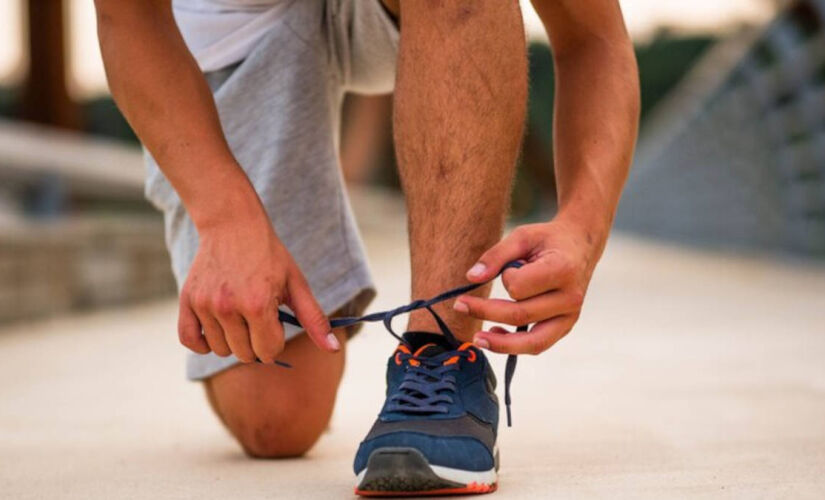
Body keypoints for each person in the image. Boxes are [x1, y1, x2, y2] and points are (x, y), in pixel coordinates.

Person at [94, 0, 638, 495]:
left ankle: (438, 353)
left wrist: (582, 230)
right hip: (231, 19)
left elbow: (593, 37)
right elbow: (127, 17)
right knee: (276, 419)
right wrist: (224, 220)